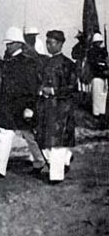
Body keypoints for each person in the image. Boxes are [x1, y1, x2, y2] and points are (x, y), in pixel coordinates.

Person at [0, 27, 45, 178]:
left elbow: (31, 86)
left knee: (29, 136)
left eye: (10, 43)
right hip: (8, 105)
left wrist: (30, 106)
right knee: (5, 134)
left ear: (18, 43)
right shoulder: (7, 62)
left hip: (23, 105)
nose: (7, 46)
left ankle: (42, 161)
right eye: (7, 44)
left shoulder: (27, 62)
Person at [37, 30, 77, 184]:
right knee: (44, 141)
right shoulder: (45, 63)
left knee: (57, 142)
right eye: (47, 42)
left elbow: (72, 87)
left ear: (60, 44)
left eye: (51, 43)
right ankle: (65, 158)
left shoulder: (68, 64)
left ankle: (56, 176)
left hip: (61, 109)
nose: (48, 46)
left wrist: (53, 91)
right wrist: (40, 90)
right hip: (46, 107)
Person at [87, 33, 108, 117]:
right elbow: (94, 64)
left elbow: (105, 62)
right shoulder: (91, 52)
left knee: (102, 95)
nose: (98, 44)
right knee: (97, 95)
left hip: (103, 76)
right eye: (97, 42)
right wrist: (103, 67)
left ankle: (101, 113)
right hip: (96, 76)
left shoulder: (103, 51)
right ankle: (96, 114)